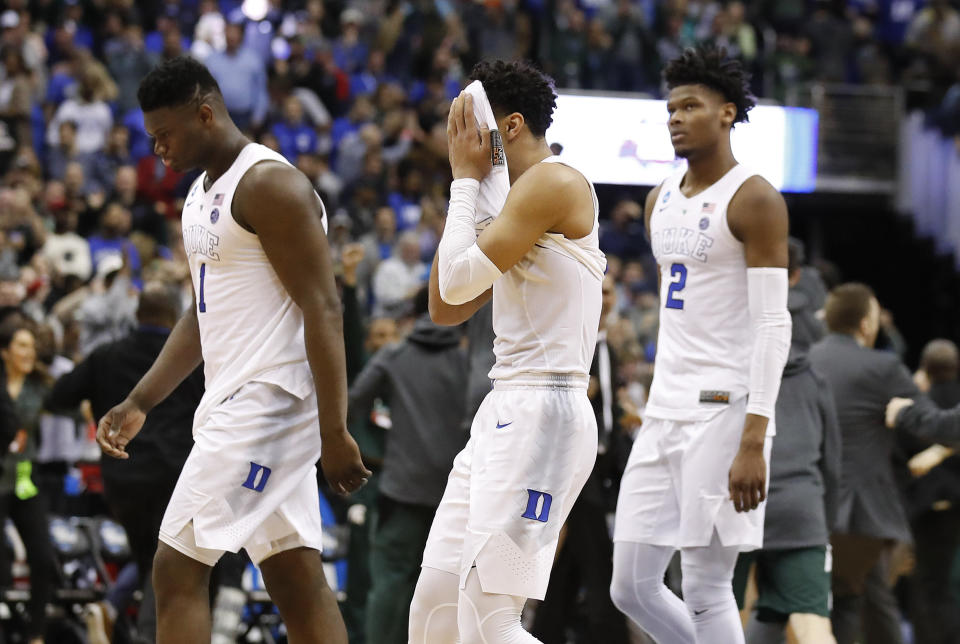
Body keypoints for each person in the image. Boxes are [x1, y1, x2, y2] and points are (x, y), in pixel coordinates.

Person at [95, 56, 370, 644]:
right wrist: (141, 399)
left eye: (165, 135)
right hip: (238, 400)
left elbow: (323, 307)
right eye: (152, 139)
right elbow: (201, 318)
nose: (158, 150)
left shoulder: (271, 185)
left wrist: (334, 429)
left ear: (205, 113)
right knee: (295, 576)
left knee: (176, 564)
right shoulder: (199, 196)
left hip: (269, 400)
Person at [408, 59, 606, 644]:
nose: (458, 137)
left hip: (547, 411)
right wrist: (471, 185)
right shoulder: (514, 199)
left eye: (469, 123)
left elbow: (454, 284)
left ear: (510, 125)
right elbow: (444, 306)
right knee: (435, 610)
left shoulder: (555, 180)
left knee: (490, 621)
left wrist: (466, 181)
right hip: (504, 411)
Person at [610, 45, 792, 644]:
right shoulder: (659, 198)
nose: (676, 118)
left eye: (691, 106)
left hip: (724, 407)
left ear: (728, 113)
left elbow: (773, 325)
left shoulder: (756, 198)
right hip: (664, 408)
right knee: (630, 584)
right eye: (670, 110)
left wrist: (755, 436)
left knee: (708, 587)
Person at [47, 283, 204, 642]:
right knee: (172, 567)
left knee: (152, 559)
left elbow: (59, 396)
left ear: (136, 316)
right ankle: (145, 634)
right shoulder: (192, 359)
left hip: (122, 478)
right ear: (174, 317)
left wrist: (92, 408)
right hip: (175, 476)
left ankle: (115, 611)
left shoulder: (107, 355)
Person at [348, 287, 469, 644]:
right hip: (455, 495)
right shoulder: (471, 360)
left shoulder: (394, 355)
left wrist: (375, 448)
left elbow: (353, 404)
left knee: (389, 587)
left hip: (400, 489)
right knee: (445, 595)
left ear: (412, 316)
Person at [736, 243, 841, 644]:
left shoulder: (725, 340)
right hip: (801, 508)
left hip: (735, 498)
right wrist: (822, 522)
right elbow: (832, 459)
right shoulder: (815, 366)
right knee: (812, 623)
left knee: (718, 616)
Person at [810, 283, 918, 644]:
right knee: (862, 603)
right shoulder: (881, 366)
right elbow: (925, 423)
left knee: (848, 600)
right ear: (867, 324)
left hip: (806, 501)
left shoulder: (805, 360)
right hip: (858, 512)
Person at [531, 273, 631, 644]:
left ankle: (545, 632)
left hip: (600, 466)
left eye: (609, 291)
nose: (604, 299)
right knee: (600, 563)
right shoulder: (570, 340)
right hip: (573, 464)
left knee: (571, 565)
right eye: (598, 291)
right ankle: (614, 637)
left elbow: (606, 410)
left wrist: (619, 414)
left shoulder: (608, 347)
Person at [0, 317, 56, 644]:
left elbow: (76, 406)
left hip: (25, 480)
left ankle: (36, 635)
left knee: (42, 556)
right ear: (5, 351)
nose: (28, 352)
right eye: (21, 345)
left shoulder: (41, 387)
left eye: (32, 347)